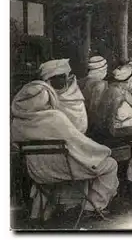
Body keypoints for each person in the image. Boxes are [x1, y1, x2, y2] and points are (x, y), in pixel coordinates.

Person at [11, 81, 118, 220]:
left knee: (81, 163)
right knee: (110, 164)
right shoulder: (55, 117)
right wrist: (103, 151)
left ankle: (64, 206)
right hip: (64, 169)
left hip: (38, 173)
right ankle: (92, 208)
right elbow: (80, 143)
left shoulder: (16, 123)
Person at [39, 59, 88, 134]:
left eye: (61, 77)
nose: (59, 80)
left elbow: (81, 126)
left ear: (66, 78)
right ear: (47, 81)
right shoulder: (43, 96)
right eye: (55, 78)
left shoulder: (75, 96)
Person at [80, 56, 109, 136]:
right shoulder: (100, 84)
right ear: (102, 70)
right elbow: (95, 107)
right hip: (92, 126)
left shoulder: (81, 81)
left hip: (82, 120)